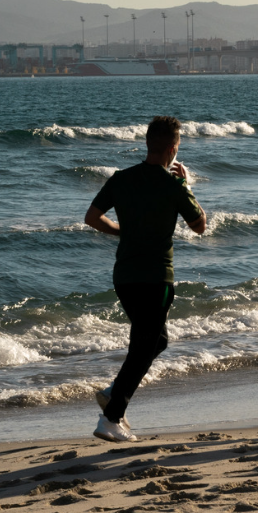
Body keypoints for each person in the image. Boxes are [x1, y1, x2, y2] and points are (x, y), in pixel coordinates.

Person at [84, 115, 206, 441]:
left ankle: (113, 392)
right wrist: (186, 184)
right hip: (156, 279)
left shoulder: (121, 179)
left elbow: (92, 217)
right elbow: (199, 226)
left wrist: (121, 231)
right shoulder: (172, 184)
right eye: (177, 146)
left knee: (156, 341)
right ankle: (110, 418)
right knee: (143, 347)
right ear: (171, 148)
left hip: (124, 277)